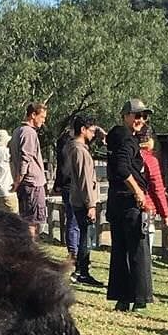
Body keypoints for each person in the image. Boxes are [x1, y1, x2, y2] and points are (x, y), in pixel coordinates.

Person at [105, 98, 154, 313]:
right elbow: (123, 169)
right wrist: (138, 193)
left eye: (144, 117)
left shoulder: (116, 137)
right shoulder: (127, 140)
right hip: (129, 200)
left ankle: (122, 297)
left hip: (115, 199)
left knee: (120, 249)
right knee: (138, 249)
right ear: (125, 116)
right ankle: (140, 296)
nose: (140, 120)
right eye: (136, 115)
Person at [60, 112, 103, 286]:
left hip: (76, 198)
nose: (93, 134)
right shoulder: (80, 151)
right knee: (86, 237)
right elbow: (85, 179)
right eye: (91, 131)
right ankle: (82, 271)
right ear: (83, 130)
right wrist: (91, 204)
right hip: (83, 200)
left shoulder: (70, 147)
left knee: (84, 235)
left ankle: (81, 270)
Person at [11, 101, 48, 239]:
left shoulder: (17, 131)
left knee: (27, 219)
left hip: (24, 184)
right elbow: (25, 159)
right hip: (32, 183)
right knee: (33, 222)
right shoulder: (29, 133)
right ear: (33, 115)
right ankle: (31, 251)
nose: (43, 121)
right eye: (42, 117)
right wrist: (18, 179)